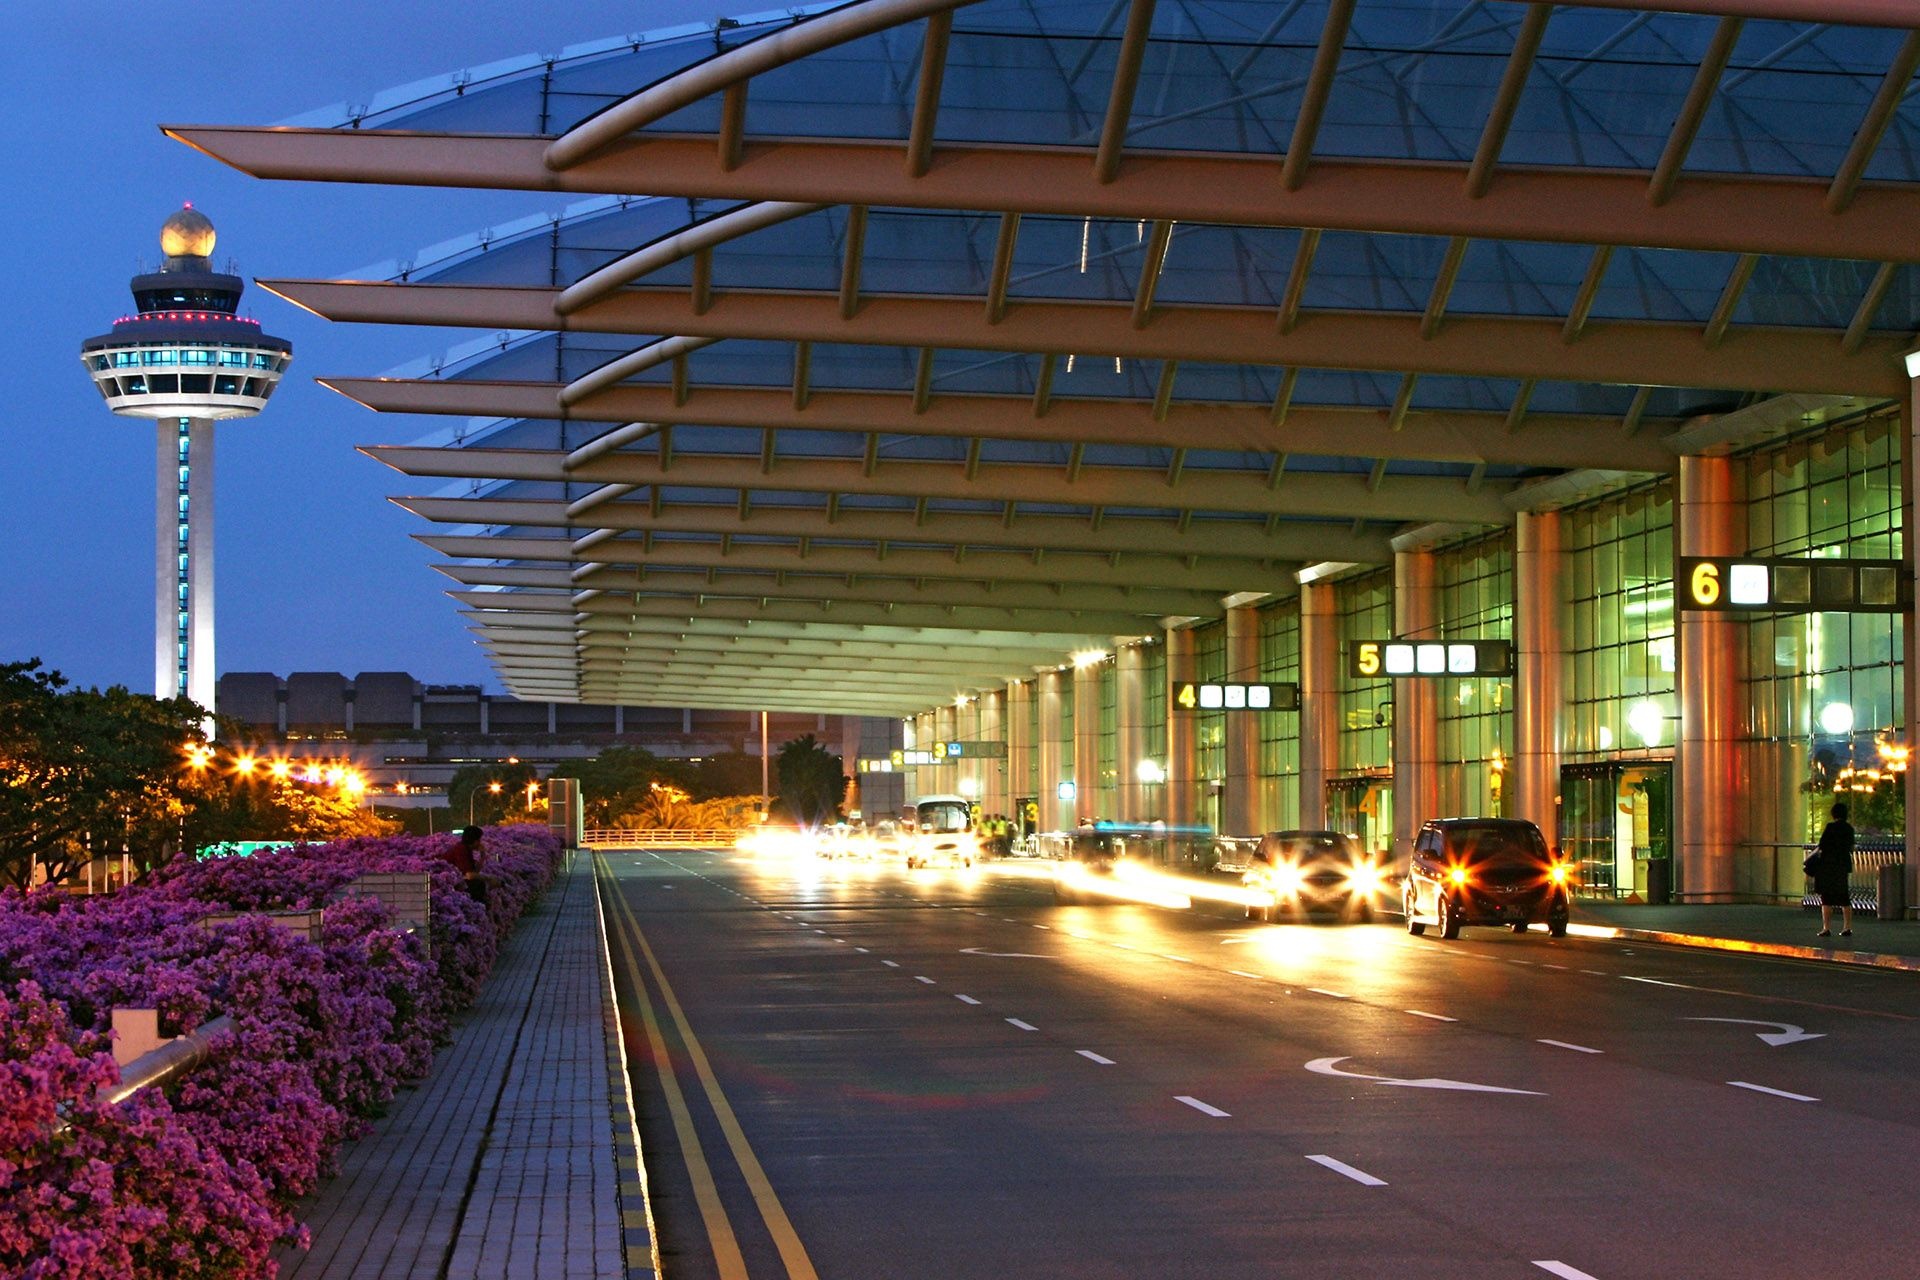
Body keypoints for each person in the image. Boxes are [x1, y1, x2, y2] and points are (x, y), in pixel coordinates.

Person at [1810, 802, 1854, 939]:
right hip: (1842, 865)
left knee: (1827, 898)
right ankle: (1847, 927)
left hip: (1828, 865)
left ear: (1833, 814)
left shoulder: (1830, 827)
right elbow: (1851, 847)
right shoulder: (1849, 828)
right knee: (1844, 897)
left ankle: (1826, 928)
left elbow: (1822, 845)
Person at [444, 825, 488, 903]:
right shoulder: (461, 850)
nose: (480, 843)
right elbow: (469, 875)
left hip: (457, 881)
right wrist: (489, 879)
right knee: (478, 885)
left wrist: (482, 856)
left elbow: (474, 872)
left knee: (480, 884)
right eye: (479, 840)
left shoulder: (467, 849)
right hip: (448, 884)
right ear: (474, 841)